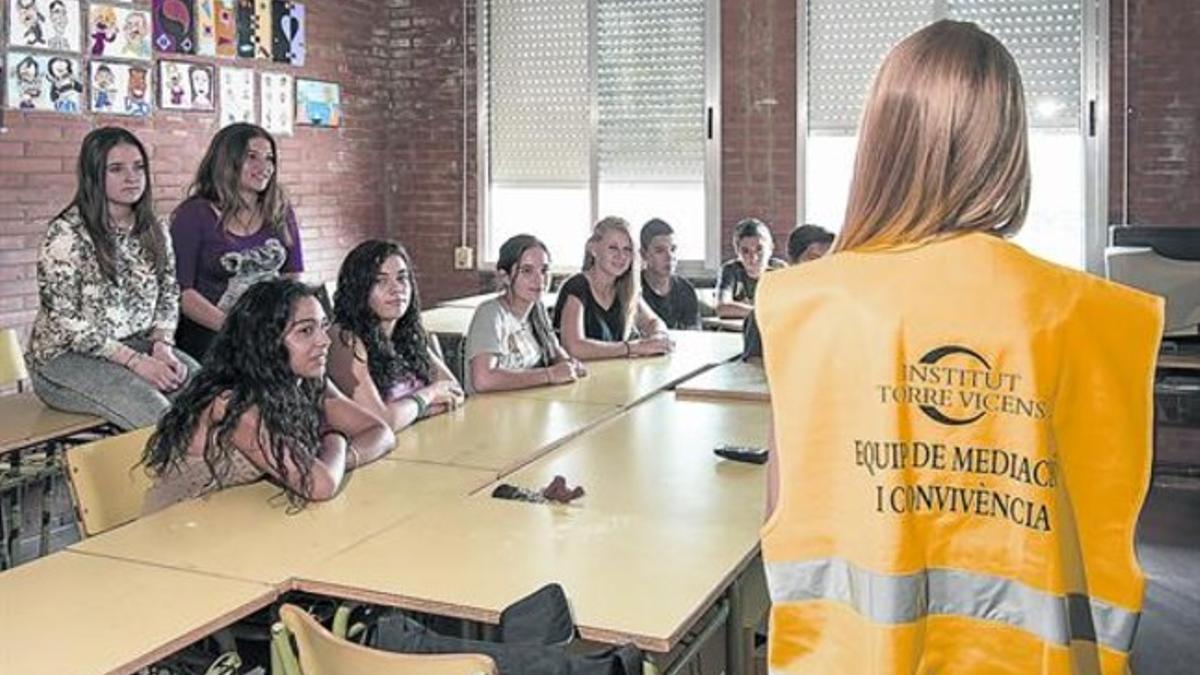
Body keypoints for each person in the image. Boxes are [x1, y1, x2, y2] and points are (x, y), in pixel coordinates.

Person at [756, 21, 1162, 673]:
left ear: (883, 143)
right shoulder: (1090, 316)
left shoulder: (809, 305)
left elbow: (783, 511)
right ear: (1008, 146)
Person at [141, 279, 395, 514]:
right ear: (266, 341)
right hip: (179, 533)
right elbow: (319, 485)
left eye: (323, 327)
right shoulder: (231, 403)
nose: (324, 341)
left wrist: (337, 460)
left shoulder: (306, 380)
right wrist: (335, 438)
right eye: (306, 331)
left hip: (239, 519)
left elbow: (379, 431)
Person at [27, 127, 197, 431]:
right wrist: (135, 362)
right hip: (63, 360)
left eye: (139, 167)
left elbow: (170, 291)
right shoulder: (66, 233)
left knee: (209, 392)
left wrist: (162, 345)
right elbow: (65, 321)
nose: (132, 177)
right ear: (94, 175)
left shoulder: (154, 227)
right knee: (155, 410)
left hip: (137, 345)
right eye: (116, 169)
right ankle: (188, 475)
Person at [171, 123, 304, 359]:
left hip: (268, 327)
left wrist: (282, 322)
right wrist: (237, 330)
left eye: (269, 159)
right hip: (212, 330)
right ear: (226, 161)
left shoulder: (279, 208)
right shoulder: (194, 215)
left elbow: (291, 275)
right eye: (251, 157)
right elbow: (184, 294)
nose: (264, 167)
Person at [327, 240, 464, 430]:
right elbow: (380, 422)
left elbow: (454, 391)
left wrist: (409, 412)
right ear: (358, 289)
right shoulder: (345, 339)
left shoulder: (407, 334)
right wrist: (429, 396)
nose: (396, 288)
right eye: (380, 281)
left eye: (402, 278)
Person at [466, 234, 586, 394]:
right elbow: (483, 379)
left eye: (544, 270)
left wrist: (568, 363)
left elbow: (554, 350)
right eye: (527, 271)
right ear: (505, 277)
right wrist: (549, 375)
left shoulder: (537, 308)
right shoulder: (491, 314)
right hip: (491, 412)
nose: (539, 279)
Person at [552, 217, 673, 361]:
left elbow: (654, 322)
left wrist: (658, 337)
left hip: (615, 376)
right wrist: (633, 347)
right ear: (593, 249)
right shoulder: (576, 287)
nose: (621, 256)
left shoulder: (624, 288)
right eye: (613, 248)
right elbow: (574, 347)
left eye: (627, 249)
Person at [741, 224, 834, 360]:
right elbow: (753, 365)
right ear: (794, 262)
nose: (823, 267)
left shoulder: (838, 309)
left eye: (830, 260)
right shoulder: (768, 312)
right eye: (814, 258)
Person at [715, 217, 786, 319]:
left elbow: (791, 307)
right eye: (745, 251)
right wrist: (762, 313)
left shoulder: (780, 270)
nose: (753, 257)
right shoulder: (731, 270)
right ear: (737, 252)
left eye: (759, 249)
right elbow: (722, 307)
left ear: (770, 248)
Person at [639, 218, 700, 330]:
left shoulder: (686, 289)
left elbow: (695, 334)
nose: (670, 256)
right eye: (660, 251)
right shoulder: (632, 288)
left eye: (673, 249)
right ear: (643, 254)